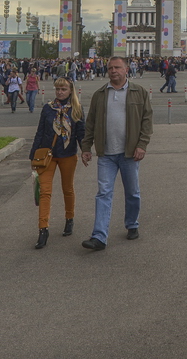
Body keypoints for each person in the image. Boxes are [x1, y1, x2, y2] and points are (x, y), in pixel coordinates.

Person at [80, 57, 153, 251]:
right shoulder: (100, 95)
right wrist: (86, 148)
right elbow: (91, 124)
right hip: (106, 154)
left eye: (117, 67)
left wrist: (142, 145)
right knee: (103, 193)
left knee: (132, 193)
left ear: (126, 69)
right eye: (110, 68)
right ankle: (99, 237)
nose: (113, 71)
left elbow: (147, 121)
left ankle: (132, 224)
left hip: (130, 153)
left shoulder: (139, 92)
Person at [30, 77, 85, 249]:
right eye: (58, 89)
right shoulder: (48, 108)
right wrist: (33, 155)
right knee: (45, 192)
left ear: (70, 90)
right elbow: (40, 132)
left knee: (67, 188)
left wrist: (86, 151)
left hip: (68, 154)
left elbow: (81, 133)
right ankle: (43, 229)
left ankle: (69, 218)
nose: (60, 92)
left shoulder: (77, 109)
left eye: (63, 89)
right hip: (47, 155)